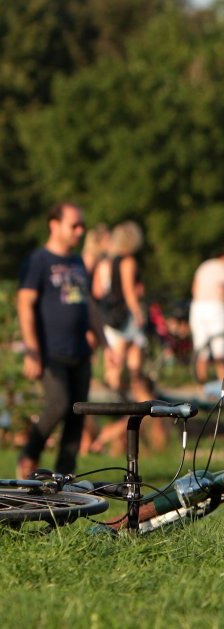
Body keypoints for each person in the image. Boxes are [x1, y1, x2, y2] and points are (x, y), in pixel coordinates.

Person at [16, 202, 108, 480]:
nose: (80, 231)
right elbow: (24, 304)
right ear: (54, 225)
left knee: (77, 412)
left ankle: (65, 476)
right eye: (74, 225)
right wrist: (32, 350)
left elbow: (88, 304)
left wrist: (105, 342)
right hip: (50, 351)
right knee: (58, 403)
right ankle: (29, 454)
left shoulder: (78, 261)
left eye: (82, 226)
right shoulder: (38, 261)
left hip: (79, 350)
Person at [96, 221, 147, 390]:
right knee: (125, 355)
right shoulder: (128, 261)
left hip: (113, 311)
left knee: (120, 355)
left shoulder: (111, 261)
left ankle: (118, 388)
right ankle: (118, 390)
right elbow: (128, 290)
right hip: (124, 314)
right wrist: (138, 312)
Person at [190, 250, 224, 383]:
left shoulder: (204, 266)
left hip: (197, 306)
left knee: (201, 349)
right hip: (215, 306)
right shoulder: (223, 268)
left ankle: (201, 385)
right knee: (220, 350)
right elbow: (223, 290)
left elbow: (194, 289)